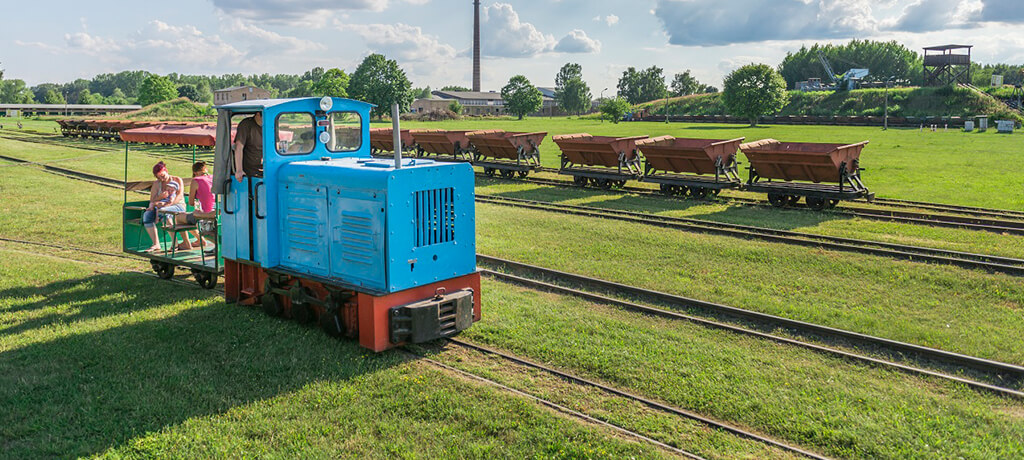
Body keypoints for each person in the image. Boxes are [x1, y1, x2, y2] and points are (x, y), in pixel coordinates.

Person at [142, 162, 186, 252]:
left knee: (165, 213)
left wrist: (168, 205)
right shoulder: (156, 184)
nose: (161, 179)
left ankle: (175, 243)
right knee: (147, 216)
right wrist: (160, 198)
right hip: (160, 206)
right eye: (159, 177)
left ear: (166, 171)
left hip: (177, 205)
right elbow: (152, 200)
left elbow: (180, 196)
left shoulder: (177, 180)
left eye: (162, 175)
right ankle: (156, 244)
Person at [175, 161, 216, 251]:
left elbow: (191, 202)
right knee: (190, 216)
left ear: (195, 172)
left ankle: (188, 242)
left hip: (203, 214)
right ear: (206, 169)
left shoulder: (196, 181)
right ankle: (199, 240)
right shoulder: (213, 178)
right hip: (216, 212)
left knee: (178, 217)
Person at [233, 112, 263, 181]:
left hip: (268, 167)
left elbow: (277, 145)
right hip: (251, 170)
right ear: (258, 114)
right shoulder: (246, 125)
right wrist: (239, 170)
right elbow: (239, 147)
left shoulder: (271, 124)